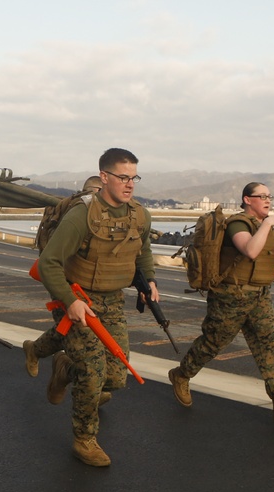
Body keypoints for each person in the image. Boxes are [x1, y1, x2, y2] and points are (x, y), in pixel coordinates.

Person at [35, 148, 158, 467]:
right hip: (78, 297)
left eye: (134, 177)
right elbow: (48, 263)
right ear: (104, 177)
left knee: (116, 376)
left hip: (112, 301)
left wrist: (150, 282)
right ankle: (84, 438)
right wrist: (70, 300)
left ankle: (64, 368)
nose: (130, 184)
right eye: (123, 177)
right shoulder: (82, 215)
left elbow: (142, 251)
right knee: (93, 372)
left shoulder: (140, 215)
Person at [168, 182, 274, 423]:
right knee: (213, 343)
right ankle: (181, 375)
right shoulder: (238, 223)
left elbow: (265, 257)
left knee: (269, 345)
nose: (268, 200)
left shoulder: (262, 226)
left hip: (259, 295)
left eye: (270, 196)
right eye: (262, 196)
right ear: (247, 199)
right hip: (231, 296)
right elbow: (249, 250)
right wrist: (268, 223)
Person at [22, 175, 103, 380]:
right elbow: (52, 258)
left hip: (89, 284)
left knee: (69, 330)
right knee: (79, 340)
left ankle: (35, 350)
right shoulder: (76, 212)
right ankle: (78, 379)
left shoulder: (103, 215)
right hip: (63, 281)